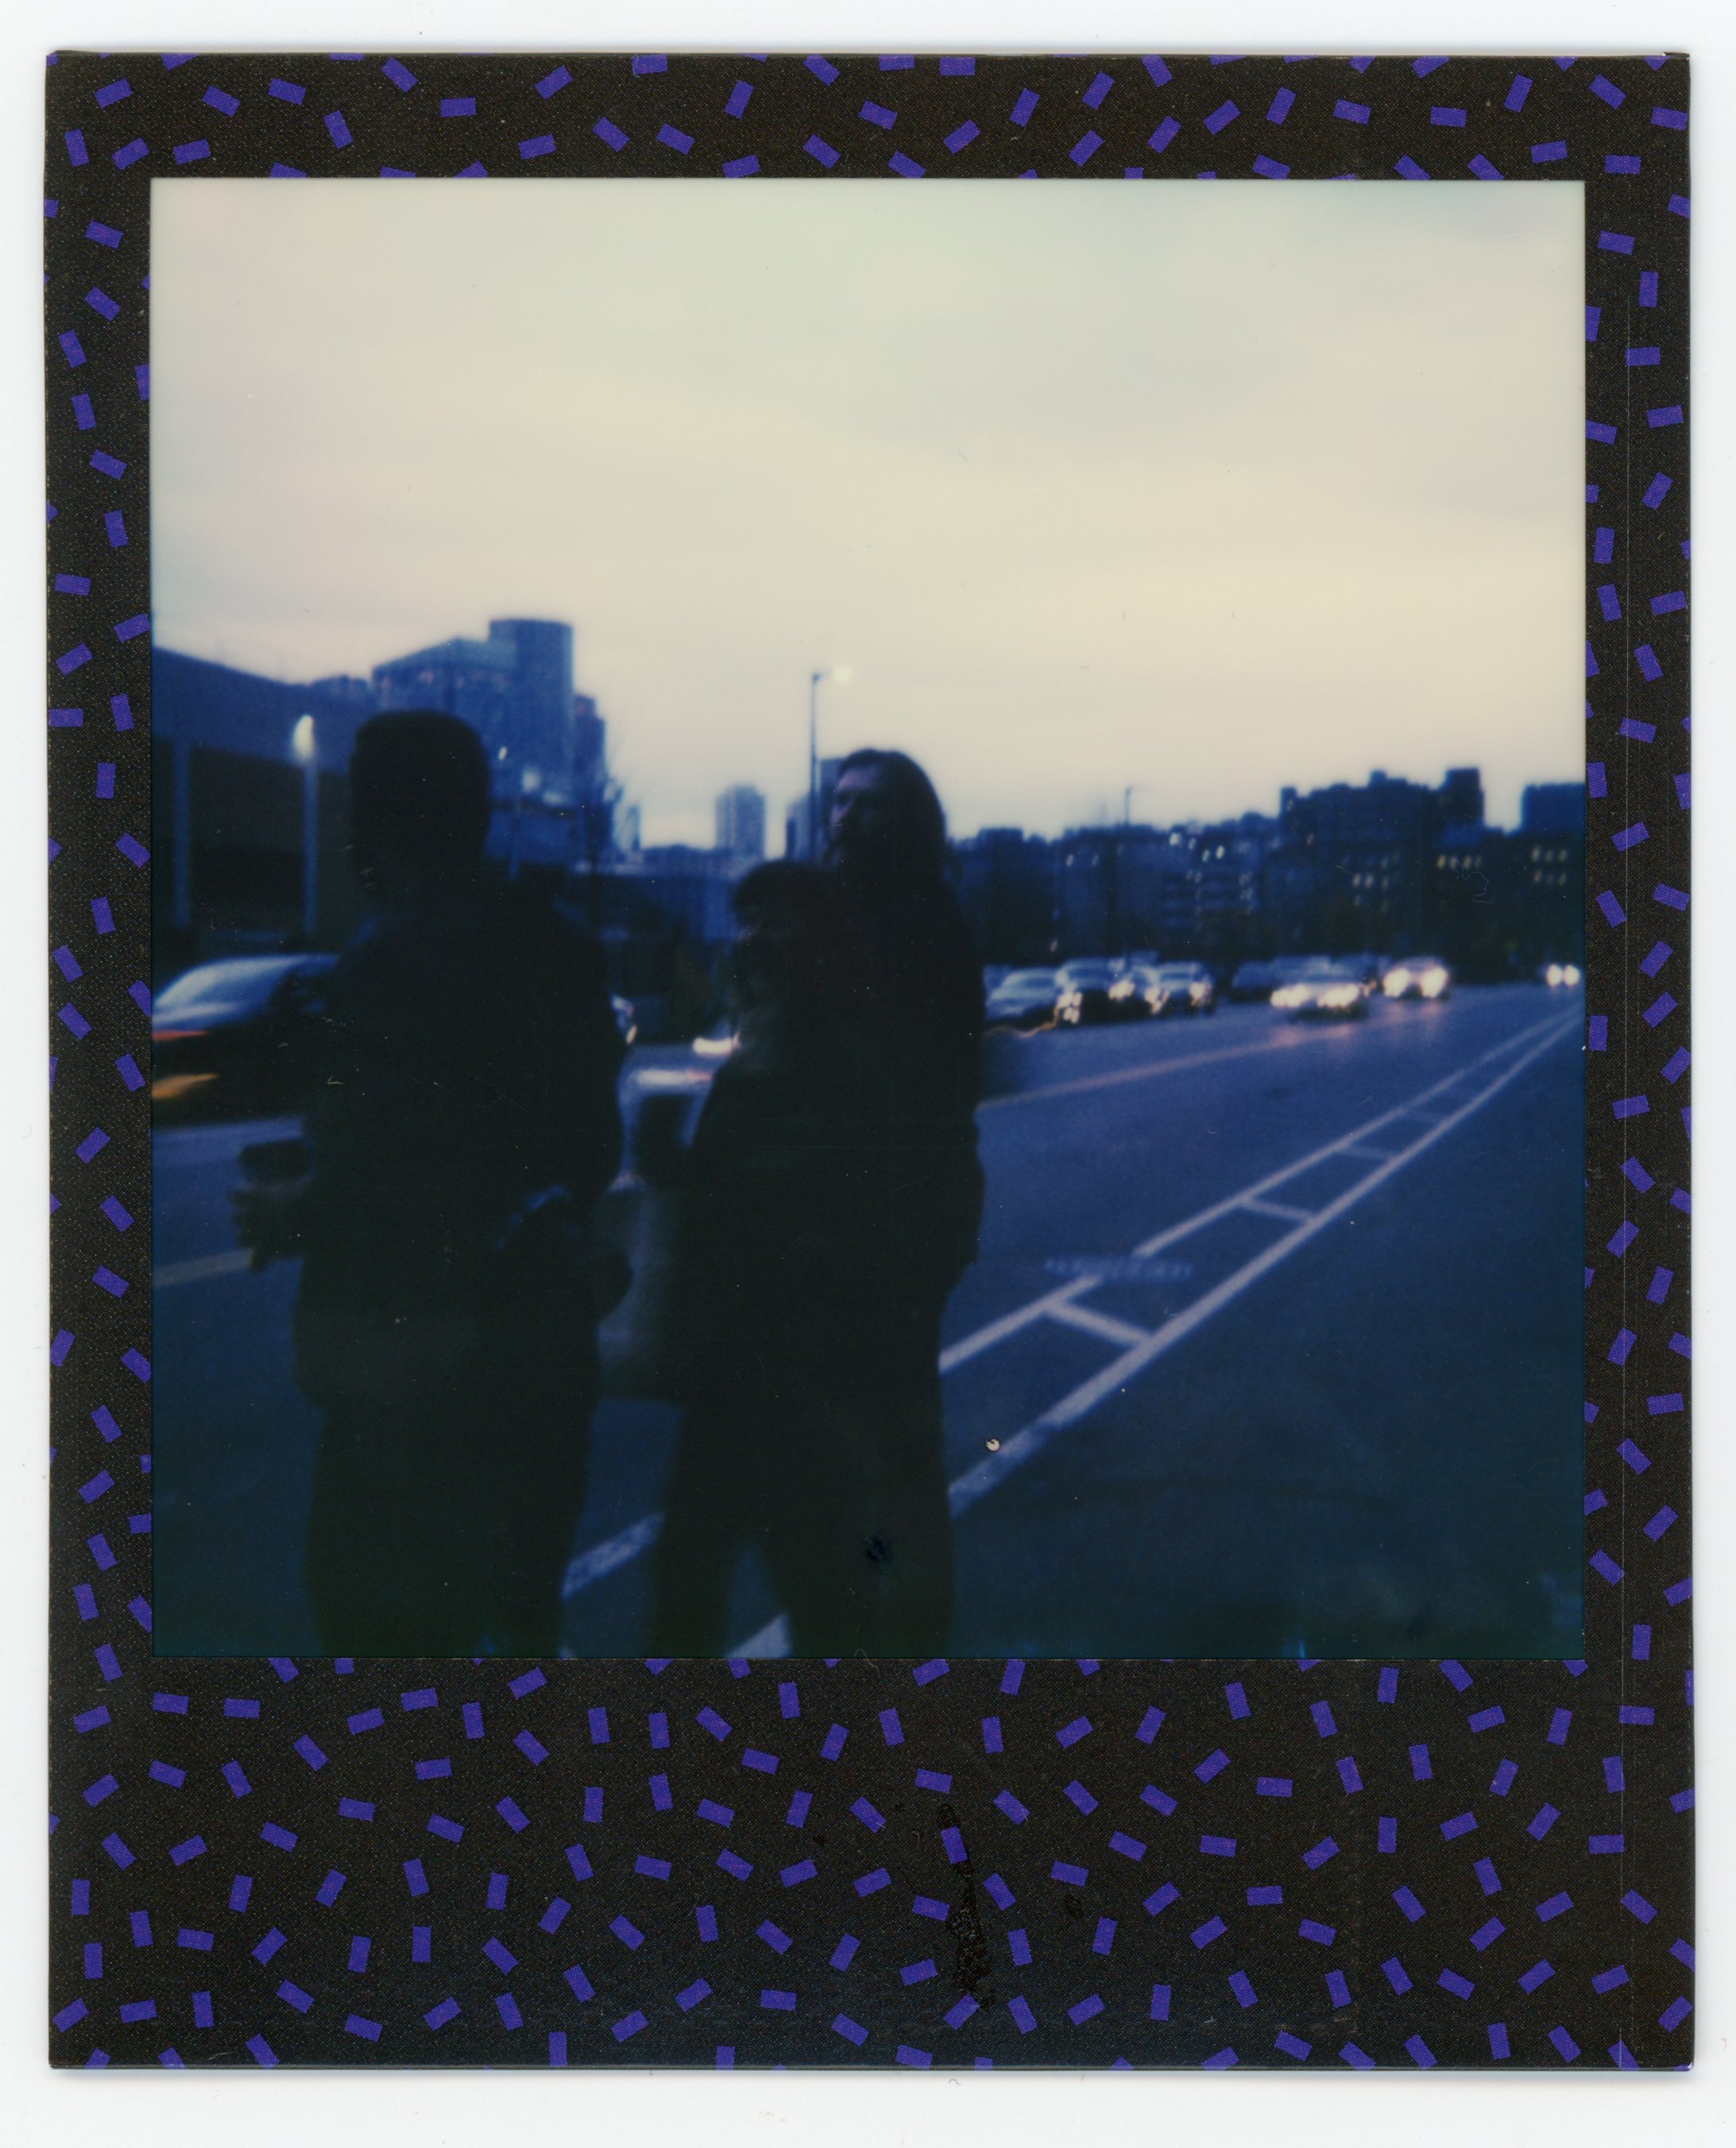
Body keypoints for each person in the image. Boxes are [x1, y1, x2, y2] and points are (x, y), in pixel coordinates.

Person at [233, 712, 624, 1655]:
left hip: (418, 1377)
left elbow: (391, 1169)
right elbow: (591, 1149)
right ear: (479, 815)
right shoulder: (563, 946)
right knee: (525, 1618)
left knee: (378, 1632)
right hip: (546, 1352)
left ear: (372, 820)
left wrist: (296, 1209)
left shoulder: (387, 958)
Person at [648, 862, 956, 1656]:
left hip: (807, 1392)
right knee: (691, 1590)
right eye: (745, 923)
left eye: (776, 923)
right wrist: (671, 1167)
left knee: (810, 1600)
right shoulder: (755, 1055)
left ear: (822, 943)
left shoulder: (847, 1060)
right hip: (732, 1377)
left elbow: (849, 1215)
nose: (753, 942)